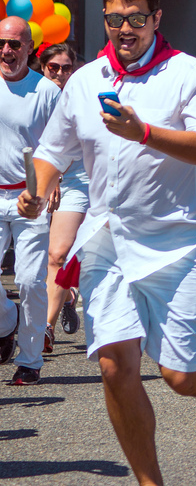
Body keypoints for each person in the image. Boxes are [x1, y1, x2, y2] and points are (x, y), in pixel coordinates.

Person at [19, 0, 196, 481]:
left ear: (156, 19)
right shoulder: (83, 82)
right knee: (114, 366)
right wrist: (36, 193)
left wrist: (142, 131)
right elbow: (52, 153)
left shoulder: (187, 73)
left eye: (137, 18)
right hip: (108, 242)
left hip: (178, 242)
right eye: (115, 18)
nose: (126, 29)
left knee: (180, 374)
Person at [0, 17, 61, 384]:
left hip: (31, 197)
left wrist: (53, 184)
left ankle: (30, 358)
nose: (7, 51)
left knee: (29, 279)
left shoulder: (47, 92)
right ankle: (7, 319)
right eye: (1, 43)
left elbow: (63, 144)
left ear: (30, 49)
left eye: (15, 45)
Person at [37, 44, 86, 352]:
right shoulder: (31, 94)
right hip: (36, 181)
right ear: (42, 67)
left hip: (78, 181)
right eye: (53, 67)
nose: (59, 73)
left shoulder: (81, 96)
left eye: (66, 68)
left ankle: (46, 328)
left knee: (58, 253)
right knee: (37, 261)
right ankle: (66, 293)